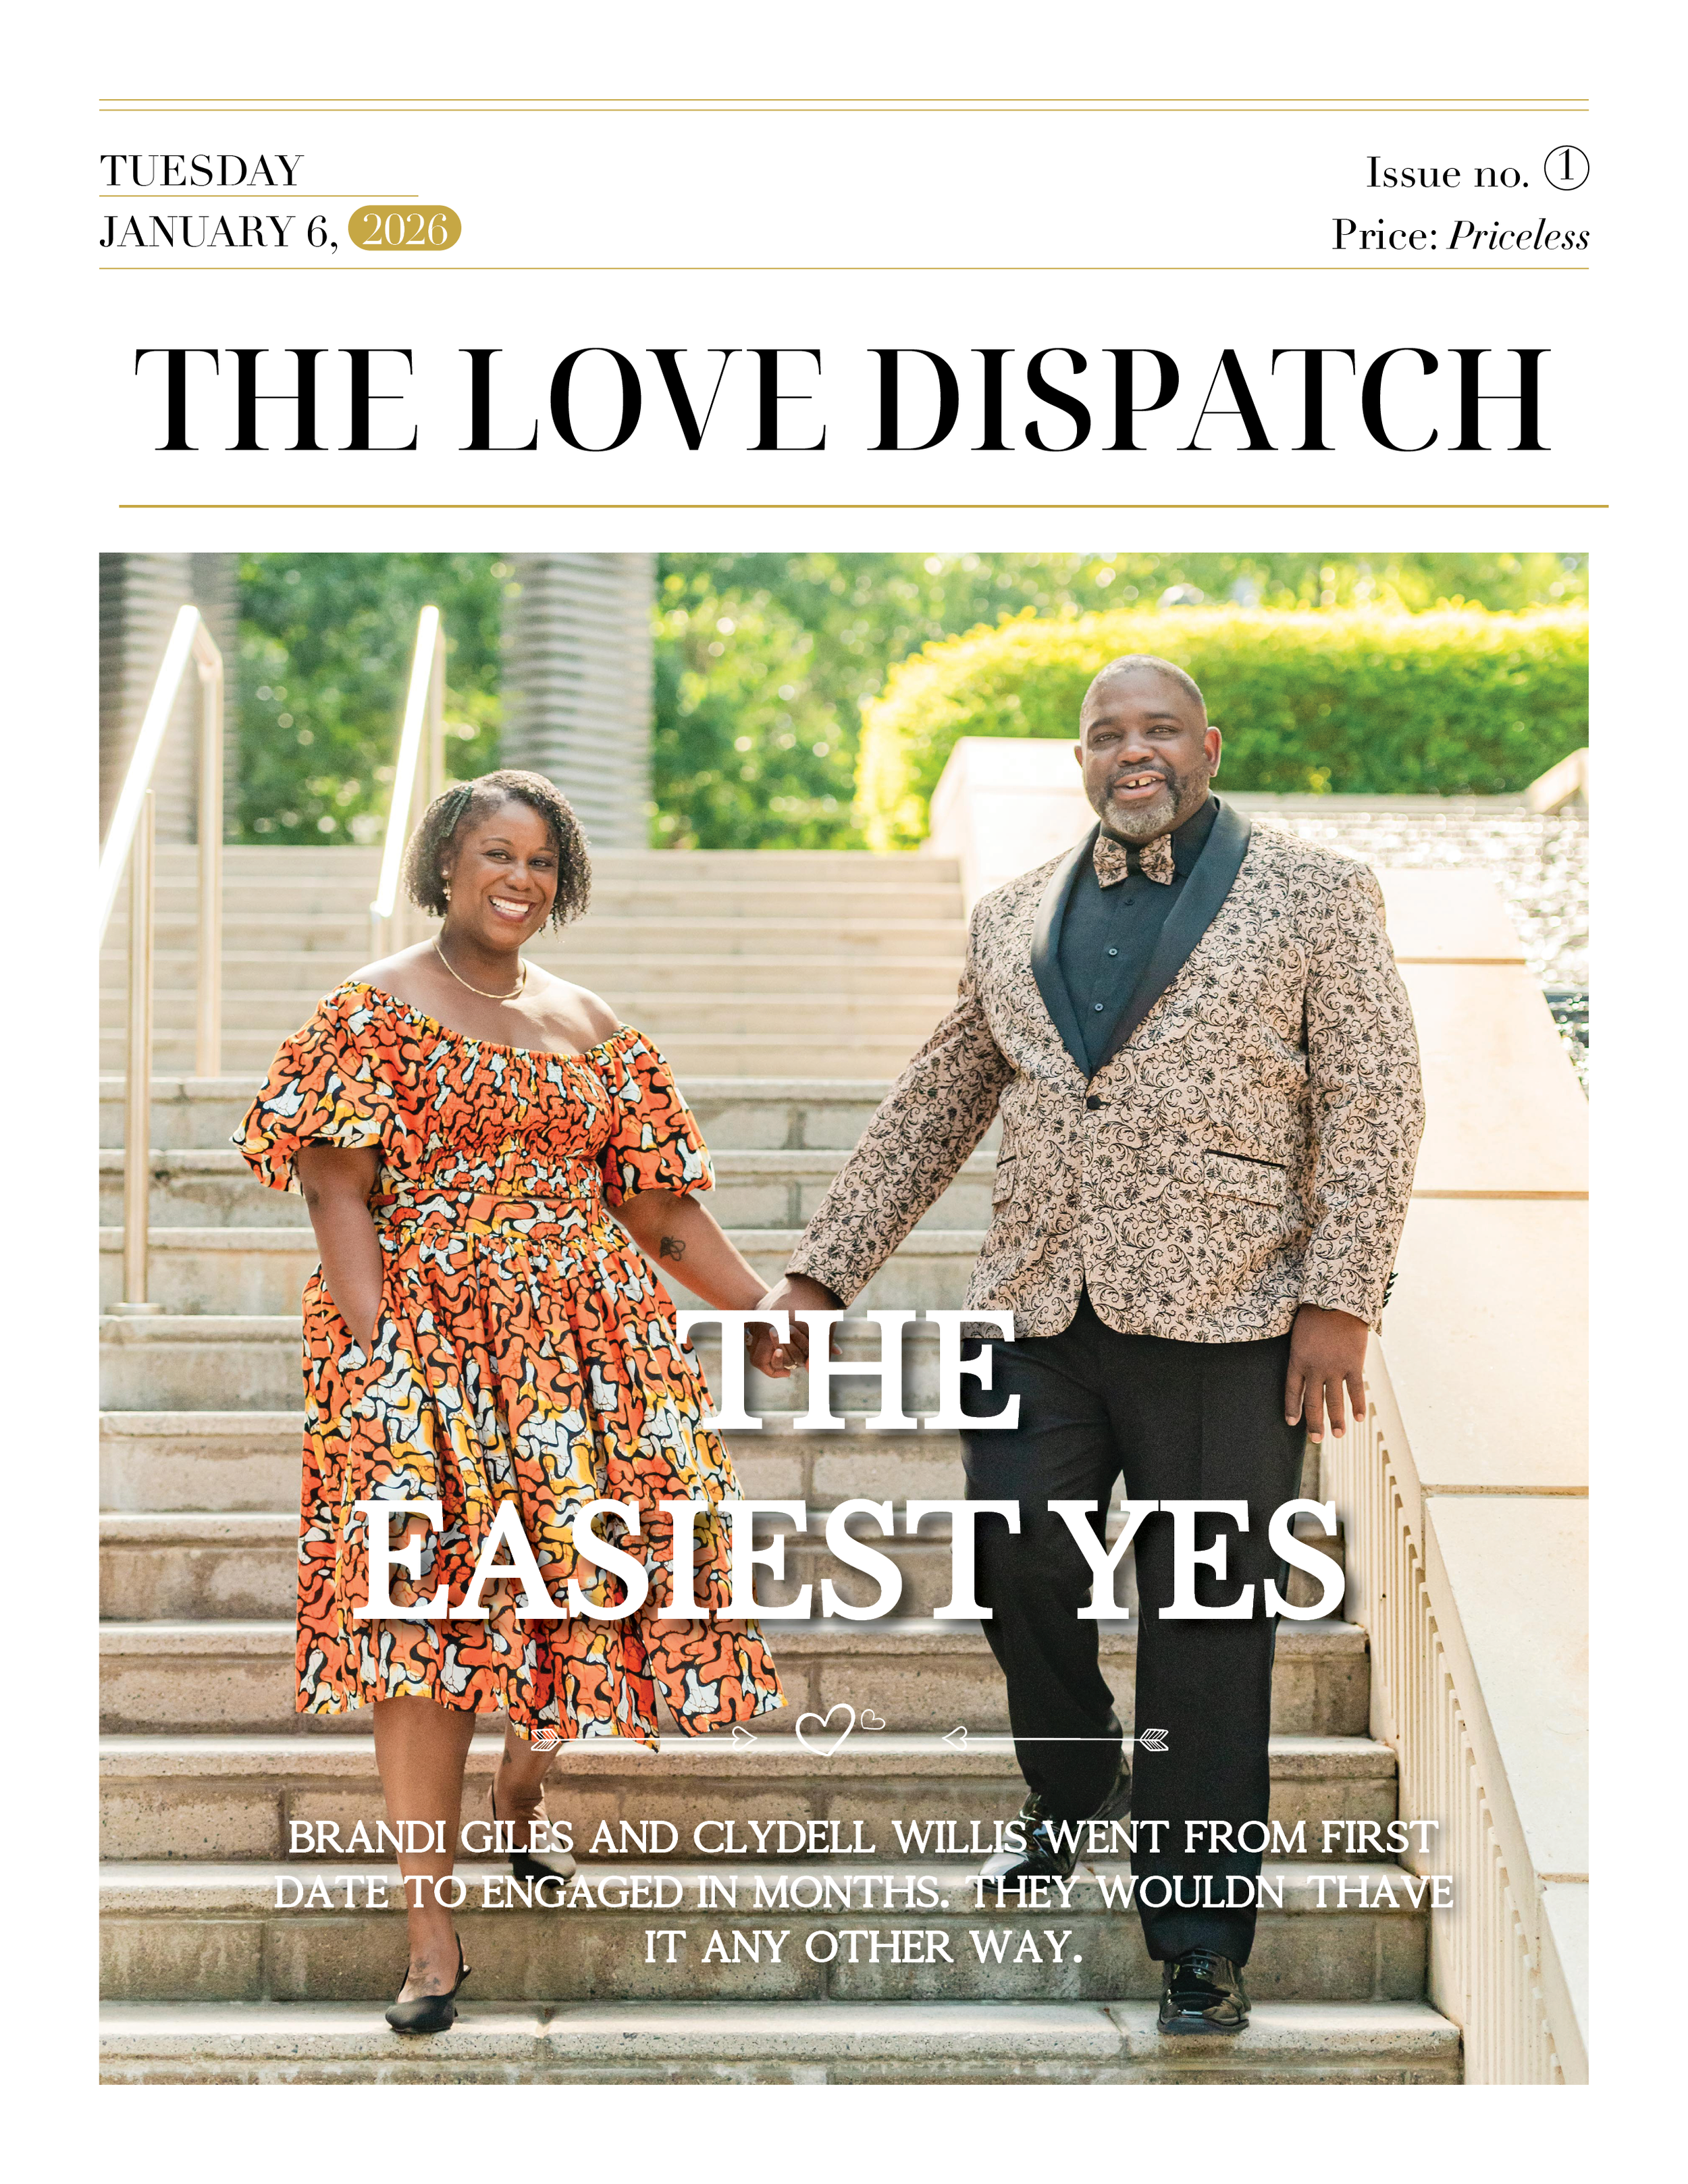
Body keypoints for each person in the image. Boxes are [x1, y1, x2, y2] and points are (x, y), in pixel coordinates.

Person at [753, 656, 1424, 2035]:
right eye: (1106, 733)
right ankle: (1072, 1784)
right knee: (1012, 1554)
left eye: (1158, 729)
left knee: (1204, 1630)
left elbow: (1375, 1099)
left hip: (1230, 1319)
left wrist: (1338, 1296)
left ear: (1205, 747)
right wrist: (822, 1273)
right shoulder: (1011, 918)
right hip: (1035, 1312)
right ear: (1079, 761)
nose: (1133, 751)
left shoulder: (1315, 892)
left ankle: (1195, 1939)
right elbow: (937, 1100)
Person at [237, 768, 785, 2034]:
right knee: (426, 1629)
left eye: (541, 861)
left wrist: (757, 1308)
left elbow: (655, 1208)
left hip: (593, 1357)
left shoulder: (591, 1025)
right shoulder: (367, 1012)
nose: (519, 879)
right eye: (497, 853)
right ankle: (431, 1930)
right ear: (446, 862)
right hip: (424, 1349)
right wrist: (381, 1359)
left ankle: (524, 1788)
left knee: (598, 1588)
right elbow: (336, 1190)